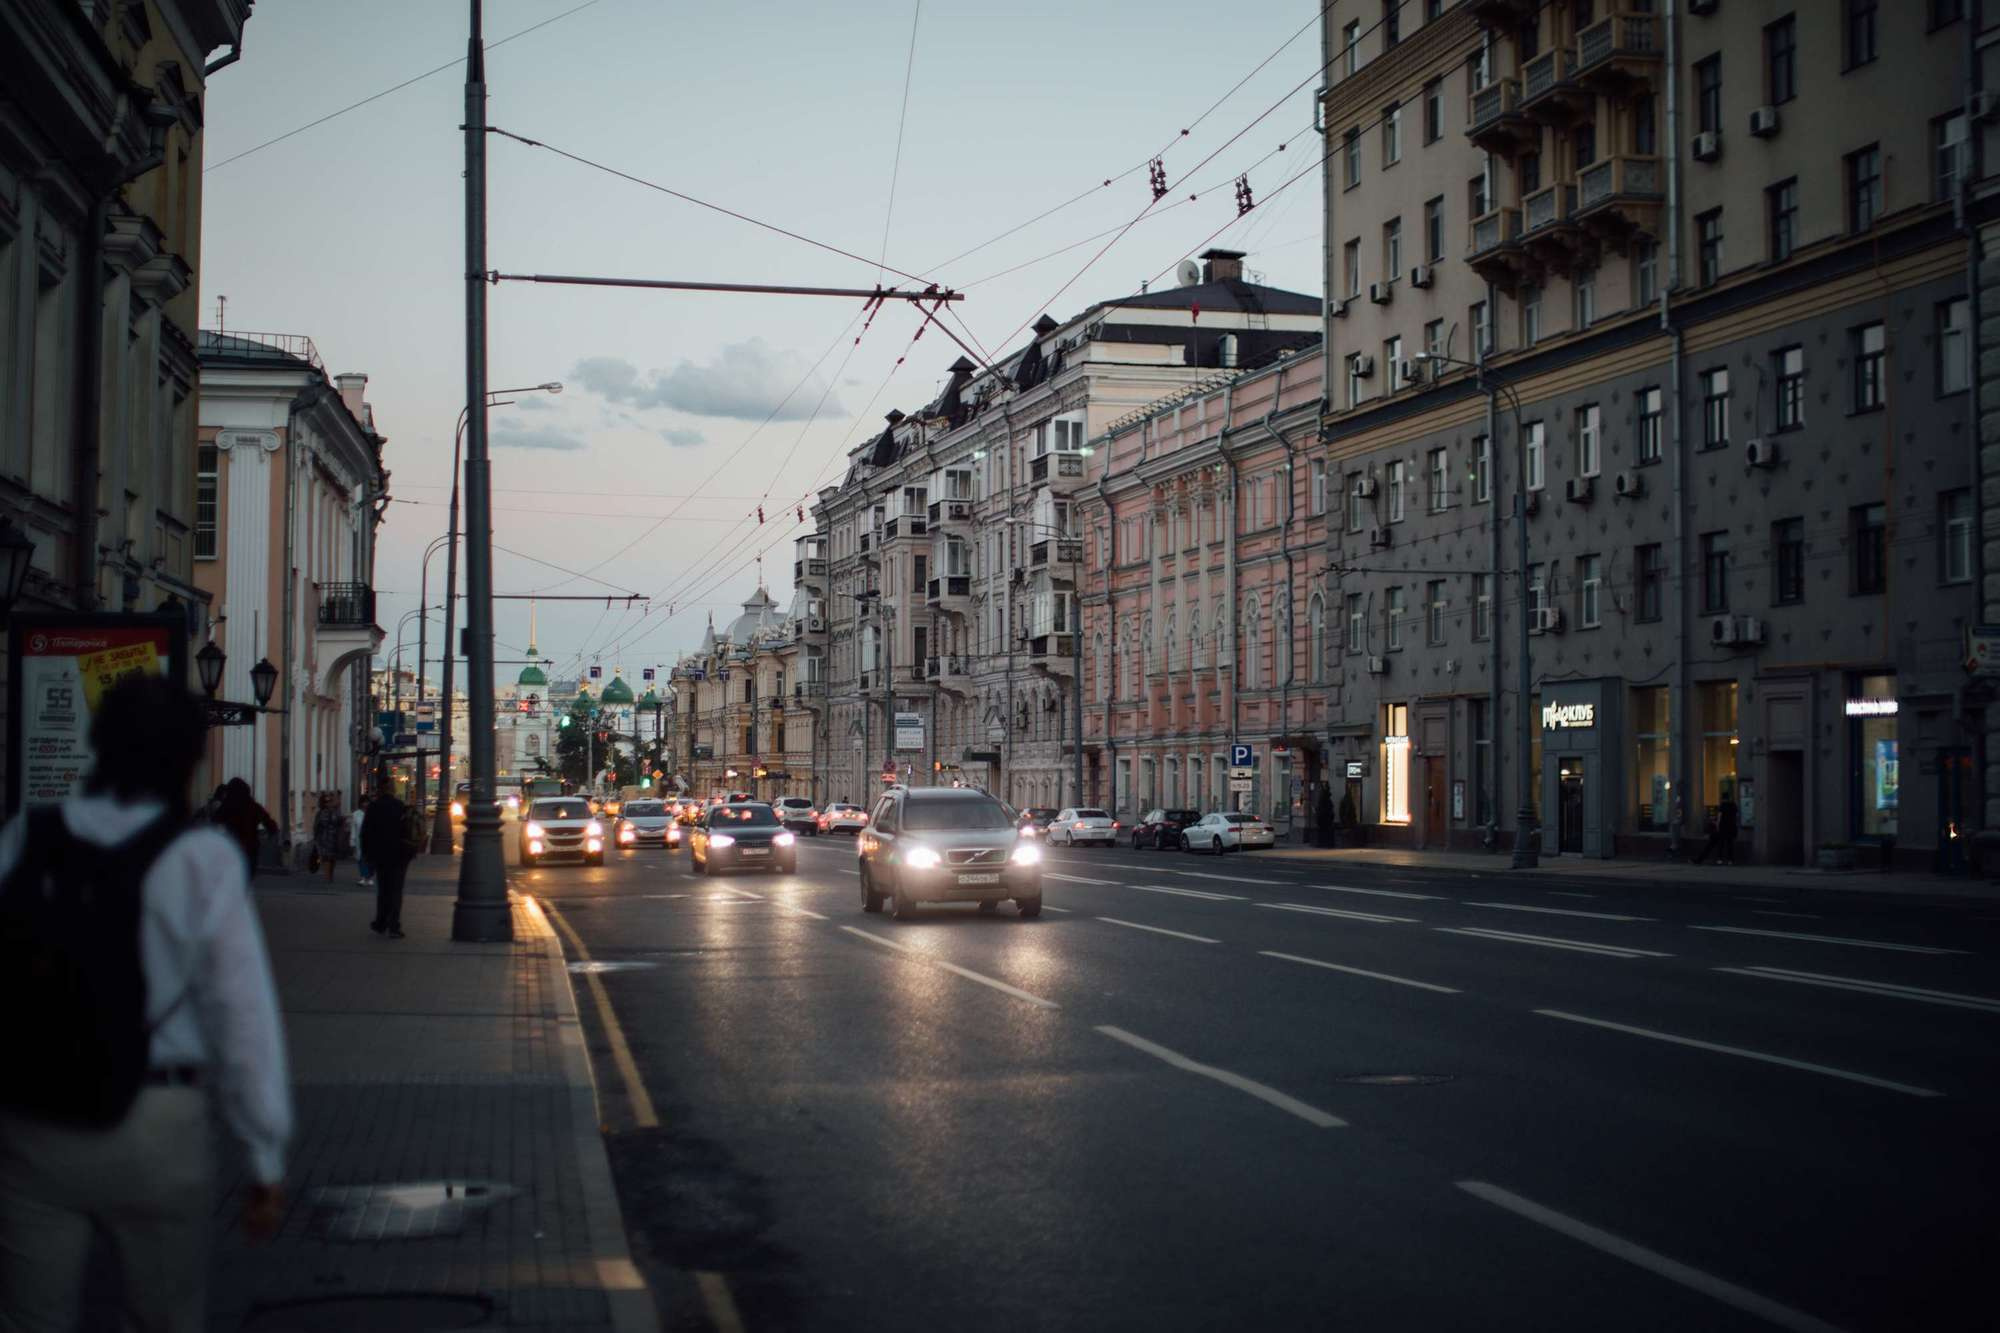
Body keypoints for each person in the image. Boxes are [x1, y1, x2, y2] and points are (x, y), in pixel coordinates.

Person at [0, 674, 291, 1332]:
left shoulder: (26, 836)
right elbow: (241, 1016)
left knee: (27, 1316)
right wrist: (264, 1155)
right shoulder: (200, 859)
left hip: (34, 1117)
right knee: (164, 1316)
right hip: (157, 1124)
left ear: (97, 745)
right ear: (188, 761)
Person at [360, 777, 414, 939]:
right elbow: (408, 830)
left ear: (380, 790)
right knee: (396, 891)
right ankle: (394, 927)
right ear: (393, 789)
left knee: (383, 890)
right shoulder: (400, 807)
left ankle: (381, 922)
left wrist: (367, 854)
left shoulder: (373, 808)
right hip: (399, 855)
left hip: (381, 855)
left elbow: (366, 833)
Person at [215, 777, 277, 875]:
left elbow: (214, 821)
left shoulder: (227, 806)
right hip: (250, 848)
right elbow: (271, 825)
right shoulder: (253, 806)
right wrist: (267, 836)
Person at [1693, 791, 1741, 866]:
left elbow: (1719, 816)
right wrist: (1736, 825)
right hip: (1731, 827)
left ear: (1722, 798)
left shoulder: (1722, 805)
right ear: (1729, 798)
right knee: (1730, 845)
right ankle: (1730, 860)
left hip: (1723, 828)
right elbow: (1737, 816)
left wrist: (1717, 826)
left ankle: (1720, 860)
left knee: (1721, 844)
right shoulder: (1733, 805)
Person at [311, 793, 343, 883]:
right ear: (323, 803)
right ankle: (327, 877)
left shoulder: (335, 812)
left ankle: (330, 875)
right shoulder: (321, 813)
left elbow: (340, 822)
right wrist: (316, 839)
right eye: (326, 802)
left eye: (330, 801)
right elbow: (317, 826)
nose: (328, 803)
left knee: (333, 858)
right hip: (324, 839)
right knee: (326, 858)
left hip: (334, 838)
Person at [351, 795, 374, 889]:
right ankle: (364, 877)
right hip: (360, 839)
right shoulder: (356, 814)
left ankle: (370, 876)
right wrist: (352, 841)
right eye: (364, 802)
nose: (365, 804)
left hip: (371, 839)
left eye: (367, 802)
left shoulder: (373, 813)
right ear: (360, 803)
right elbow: (353, 828)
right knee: (361, 859)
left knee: (371, 859)